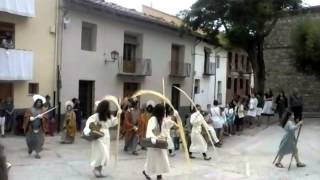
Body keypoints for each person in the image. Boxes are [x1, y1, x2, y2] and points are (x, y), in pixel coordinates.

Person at [83, 100, 119, 177]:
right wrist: (91, 130)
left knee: (105, 155)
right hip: (98, 136)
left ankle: (99, 170)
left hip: (106, 136)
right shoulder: (96, 116)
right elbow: (90, 123)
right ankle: (96, 169)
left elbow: (114, 122)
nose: (108, 108)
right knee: (101, 153)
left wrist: (118, 115)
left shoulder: (108, 116)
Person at [142, 104, 171, 180]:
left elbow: (166, 127)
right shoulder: (153, 119)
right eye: (163, 111)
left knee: (161, 158)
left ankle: (159, 175)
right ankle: (146, 171)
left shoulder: (162, 119)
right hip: (154, 142)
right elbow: (149, 130)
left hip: (160, 142)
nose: (164, 112)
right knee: (152, 160)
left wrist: (173, 120)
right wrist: (153, 138)